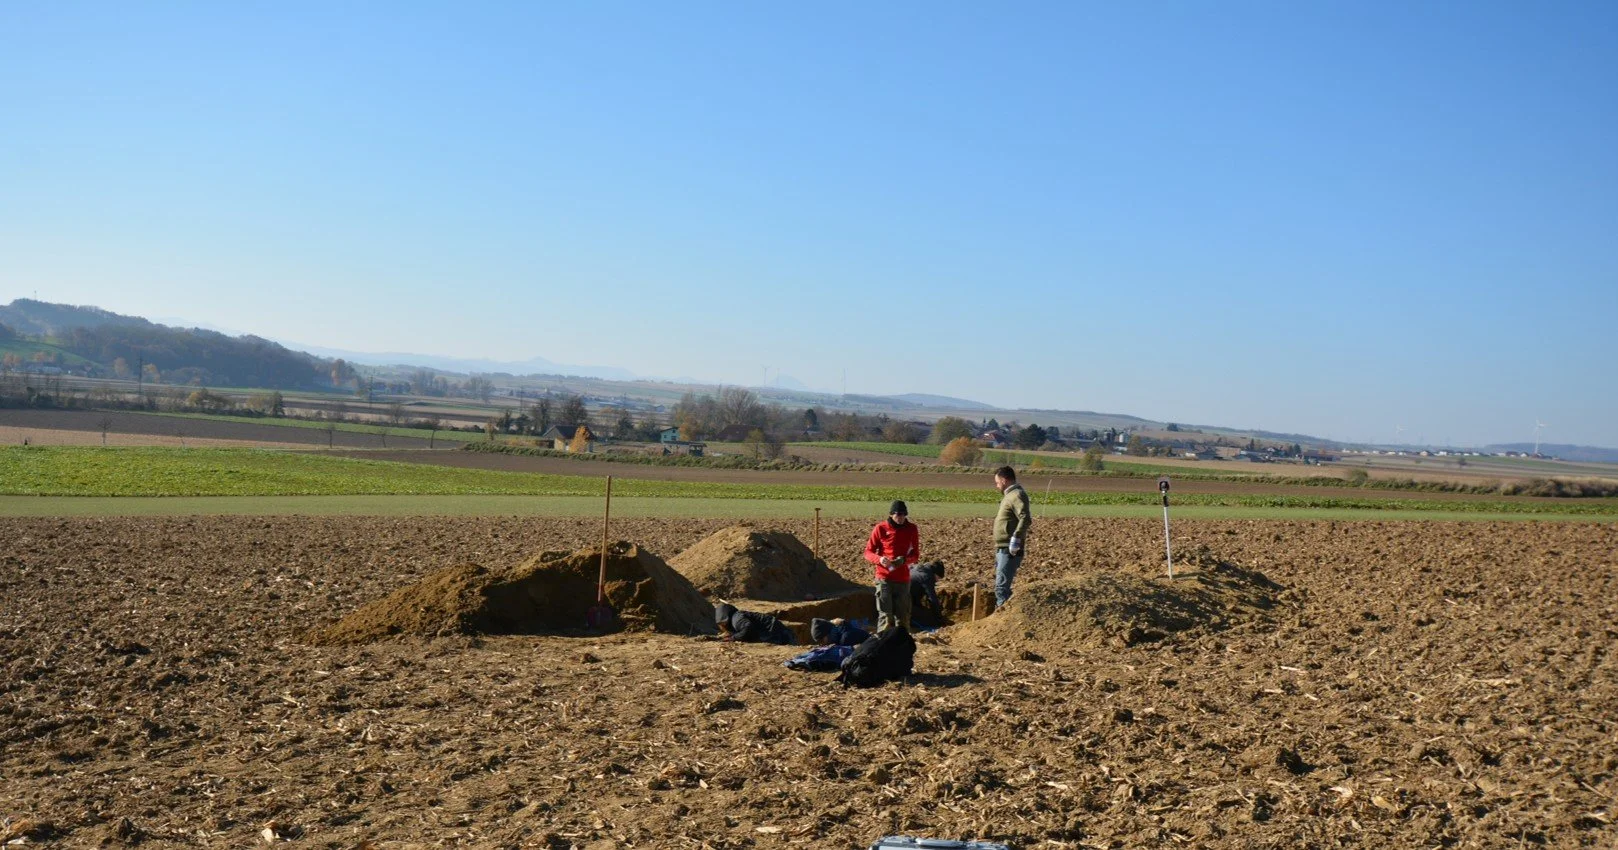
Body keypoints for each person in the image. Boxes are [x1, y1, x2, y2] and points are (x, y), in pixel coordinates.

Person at [864, 499, 919, 632]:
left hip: (902, 580)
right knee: (885, 616)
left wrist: (904, 561)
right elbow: (868, 552)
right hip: (884, 578)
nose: (901, 518)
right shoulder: (880, 528)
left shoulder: (912, 529)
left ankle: (902, 644)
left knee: (903, 616)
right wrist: (880, 559)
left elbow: (916, 555)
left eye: (903, 515)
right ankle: (882, 642)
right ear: (891, 515)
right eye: (898, 515)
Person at [991, 466, 1033, 606]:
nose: (997, 486)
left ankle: (1001, 621)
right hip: (1002, 547)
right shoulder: (1009, 496)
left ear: (1004, 480)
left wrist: (1016, 537)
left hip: (1009, 548)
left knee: (1001, 588)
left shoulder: (1016, 495)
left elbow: (1025, 517)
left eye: (997, 482)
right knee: (1001, 586)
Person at [714, 602, 795, 645]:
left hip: (776, 633)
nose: (723, 626)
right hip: (775, 631)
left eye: (723, 623)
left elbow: (748, 628)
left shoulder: (736, 618)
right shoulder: (736, 617)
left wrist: (733, 638)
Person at [908, 560, 946, 626]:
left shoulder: (920, 568)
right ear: (935, 574)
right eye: (938, 578)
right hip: (903, 601)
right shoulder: (927, 577)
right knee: (927, 620)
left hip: (902, 595)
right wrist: (939, 617)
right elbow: (932, 599)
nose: (937, 581)